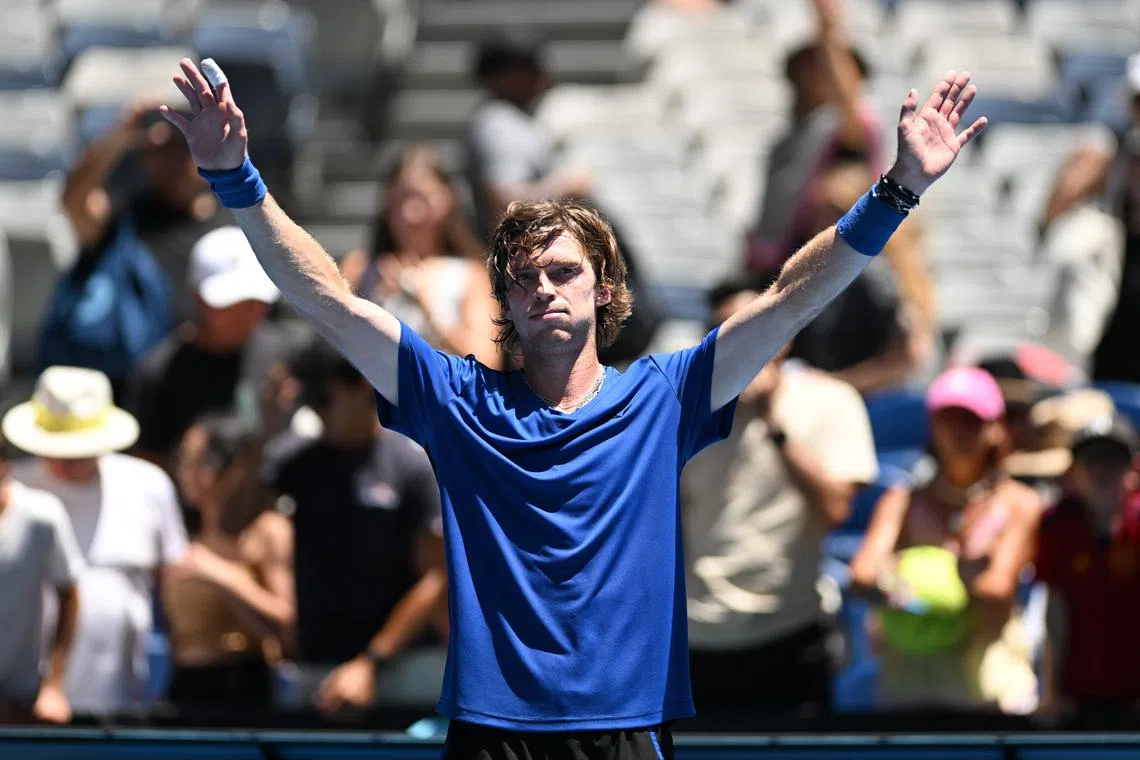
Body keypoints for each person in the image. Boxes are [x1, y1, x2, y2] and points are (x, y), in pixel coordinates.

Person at [163, 55, 984, 757]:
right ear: (506, 303)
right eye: (523, 277)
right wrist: (237, 180)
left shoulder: (668, 395)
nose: (543, 289)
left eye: (562, 271)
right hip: (493, 732)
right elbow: (329, 299)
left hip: (627, 731)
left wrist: (898, 188)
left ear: (605, 289)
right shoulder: (454, 399)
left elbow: (790, 298)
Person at [683, 281, 878, 715]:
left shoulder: (831, 401)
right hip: (698, 636)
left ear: (786, 334)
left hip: (792, 631)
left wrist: (775, 423)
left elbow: (836, 507)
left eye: (758, 329)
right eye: (729, 330)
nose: (745, 343)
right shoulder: (684, 408)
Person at [252, 338, 447, 716]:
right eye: (307, 400)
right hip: (317, 674)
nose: (316, 412)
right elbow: (229, 528)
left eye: (324, 398)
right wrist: (264, 431)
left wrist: (371, 662)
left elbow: (435, 579)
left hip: (402, 670)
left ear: (362, 387)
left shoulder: (411, 466)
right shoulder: (295, 462)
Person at [850, 367, 1043, 712]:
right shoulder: (900, 501)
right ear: (932, 426)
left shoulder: (1020, 504)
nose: (959, 431)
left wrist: (916, 570)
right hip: (910, 686)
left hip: (987, 691)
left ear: (996, 428)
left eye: (971, 420)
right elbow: (862, 576)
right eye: (948, 419)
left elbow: (997, 590)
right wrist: (925, 582)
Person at [2, 366, 189, 716]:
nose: (68, 460)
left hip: (120, 704)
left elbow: (174, 587)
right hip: (22, 705)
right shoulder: (14, 491)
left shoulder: (149, 486)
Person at [125, 225, 298, 468]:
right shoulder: (158, 374)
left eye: (254, 302)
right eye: (232, 302)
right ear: (197, 298)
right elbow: (148, 468)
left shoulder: (280, 352)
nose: (245, 314)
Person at [746, 0, 883, 277]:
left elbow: (847, 109)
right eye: (811, 65)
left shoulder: (849, 127)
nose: (819, 74)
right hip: (782, 270)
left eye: (826, 65)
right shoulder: (787, 141)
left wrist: (829, 32)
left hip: (833, 274)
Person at [162, 413, 289, 713]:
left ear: (235, 469)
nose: (188, 473)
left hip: (240, 687)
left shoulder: (266, 532)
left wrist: (220, 576)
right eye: (184, 460)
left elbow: (288, 625)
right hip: (184, 687)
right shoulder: (185, 539)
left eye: (202, 462)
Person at [60, 99, 228, 323]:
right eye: (161, 150)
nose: (172, 161)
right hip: (138, 354)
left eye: (183, 146)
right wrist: (123, 134)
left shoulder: (235, 224)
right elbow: (75, 201)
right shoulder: (127, 220)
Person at [340, 148, 502, 369]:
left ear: (447, 200)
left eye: (422, 199)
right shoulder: (360, 268)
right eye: (399, 200)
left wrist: (426, 307)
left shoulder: (470, 274)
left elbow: (487, 361)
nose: (410, 213)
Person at [785, 162, 937, 394]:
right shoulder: (850, 272)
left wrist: (833, 384)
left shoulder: (873, 276)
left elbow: (911, 356)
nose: (819, 225)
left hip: (879, 407)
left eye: (832, 214)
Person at [1036, 413, 1140, 723]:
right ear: (1073, 471)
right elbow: (1055, 610)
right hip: (1076, 699)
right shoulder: (1057, 526)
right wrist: (1052, 693)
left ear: (1131, 470)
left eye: (1112, 460)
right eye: (1091, 460)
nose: (1101, 471)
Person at [0, 439, 83, 725]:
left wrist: (54, 685)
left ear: (5, 468)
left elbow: (69, 595)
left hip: (22, 702)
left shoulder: (41, 516)